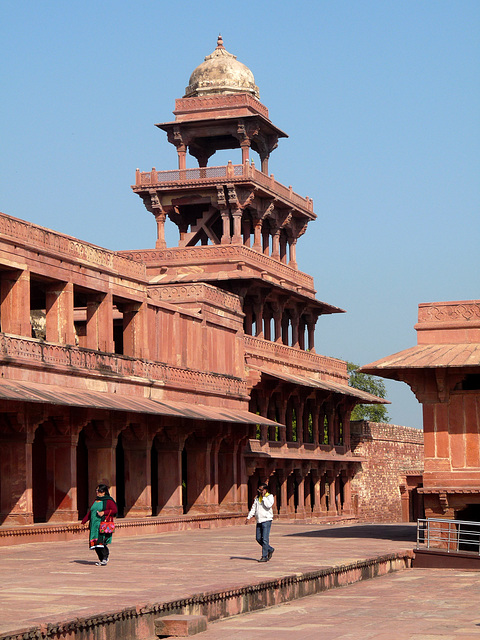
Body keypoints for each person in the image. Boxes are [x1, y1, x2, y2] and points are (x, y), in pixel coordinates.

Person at [81, 483, 117, 566]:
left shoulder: (108, 500)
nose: (97, 492)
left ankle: (105, 557)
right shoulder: (95, 500)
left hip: (103, 525)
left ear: (104, 492)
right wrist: (83, 521)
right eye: (96, 490)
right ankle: (101, 559)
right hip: (94, 525)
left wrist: (104, 512)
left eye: (99, 490)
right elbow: (91, 512)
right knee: (95, 543)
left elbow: (114, 510)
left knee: (102, 542)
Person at [245, 482, 275, 562]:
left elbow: (268, 505)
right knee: (258, 538)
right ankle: (270, 549)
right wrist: (249, 517)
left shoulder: (270, 497)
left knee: (265, 539)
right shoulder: (257, 498)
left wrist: (264, 497)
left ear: (265, 490)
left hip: (267, 520)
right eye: (259, 490)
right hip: (259, 520)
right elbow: (253, 508)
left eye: (261, 490)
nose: (259, 491)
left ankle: (264, 556)